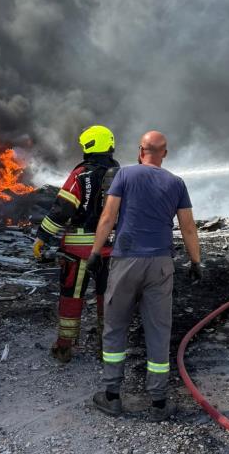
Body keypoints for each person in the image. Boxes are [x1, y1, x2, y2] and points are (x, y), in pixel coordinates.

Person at [86, 130, 202, 421]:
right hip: (160, 264)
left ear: (140, 150)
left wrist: (94, 253)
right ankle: (159, 401)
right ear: (165, 153)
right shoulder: (177, 183)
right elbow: (188, 227)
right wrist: (196, 262)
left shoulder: (124, 176)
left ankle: (112, 396)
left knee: (115, 327)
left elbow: (108, 217)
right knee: (158, 330)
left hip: (125, 260)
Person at [32, 125, 119, 363]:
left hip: (78, 251)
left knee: (71, 296)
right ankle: (107, 347)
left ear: (90, 145)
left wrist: (42, 237)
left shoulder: (80, 176)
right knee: (108, 297)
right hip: (110, 250)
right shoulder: (121, 174)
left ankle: (64, 348)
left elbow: (62, 210)